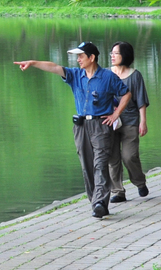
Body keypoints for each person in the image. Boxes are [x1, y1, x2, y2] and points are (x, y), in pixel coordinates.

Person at [13, 41, 131, 219]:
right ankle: (96, 203)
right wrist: (33, 63)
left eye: (81, 56)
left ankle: (100, 202)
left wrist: (115, 115)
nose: (78, 60)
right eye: (77, 56)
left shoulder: (108, 77)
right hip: (81, 127)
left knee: (100, 164)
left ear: (92, 58)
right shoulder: (76, 75)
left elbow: (126, 93)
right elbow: (54, 67)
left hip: (101, 126)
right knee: (87, 166)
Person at [107, 41, 150, 201]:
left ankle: (139, 182)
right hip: (109, 121)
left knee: (129, 156)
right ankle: (118, 191)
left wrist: (143, 121)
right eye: (111, 53)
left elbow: (141, 100)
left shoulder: (135, 75)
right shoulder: (106, 73)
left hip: (130, 121)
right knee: (112, 158)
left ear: (125, 55)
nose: (112, 56)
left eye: (116, 53)